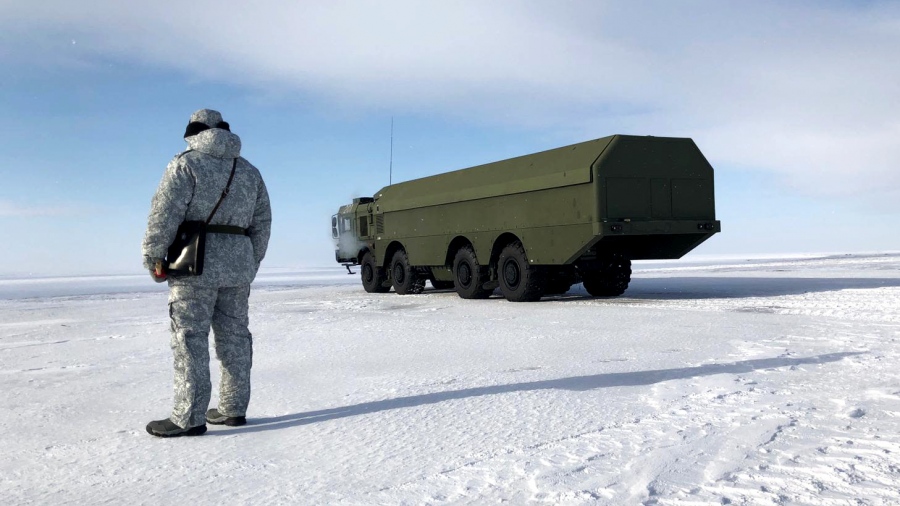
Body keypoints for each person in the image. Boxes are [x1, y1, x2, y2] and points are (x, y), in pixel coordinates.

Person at [142, 109, 272, 437]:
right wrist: (250, 260)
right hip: (238, 265)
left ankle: (189, 417)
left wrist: (154, 255)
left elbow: (165, 212)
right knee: (235, 336)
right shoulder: (249, 171)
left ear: (193, 131)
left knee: (189, 337)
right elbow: (263, 221)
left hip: (194, 265)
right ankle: (233, 409)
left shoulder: (185, 164)